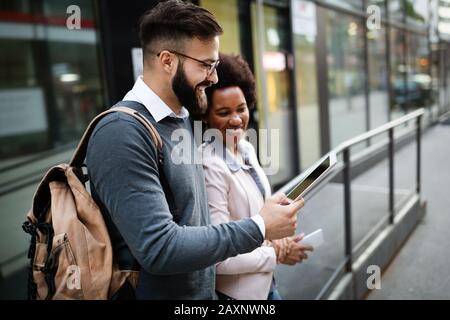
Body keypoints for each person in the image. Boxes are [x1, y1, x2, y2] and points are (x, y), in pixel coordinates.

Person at [86, 0, 304, 300]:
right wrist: (260, 226)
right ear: (167, 61)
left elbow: (200, 226)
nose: (214, 77)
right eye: (206, 65)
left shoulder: (184, 119)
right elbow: (160, 249)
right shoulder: (120, 134)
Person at [201, 54, 313, 300]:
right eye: (223, 112)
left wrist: (279, 236)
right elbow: (219, 258)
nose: (236, 119)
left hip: (266, 285)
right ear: (206, 115)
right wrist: (277, 253)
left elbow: (258, 217)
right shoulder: (210, 166)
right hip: (238, 298)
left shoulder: (245, 148)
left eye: (241, 109)